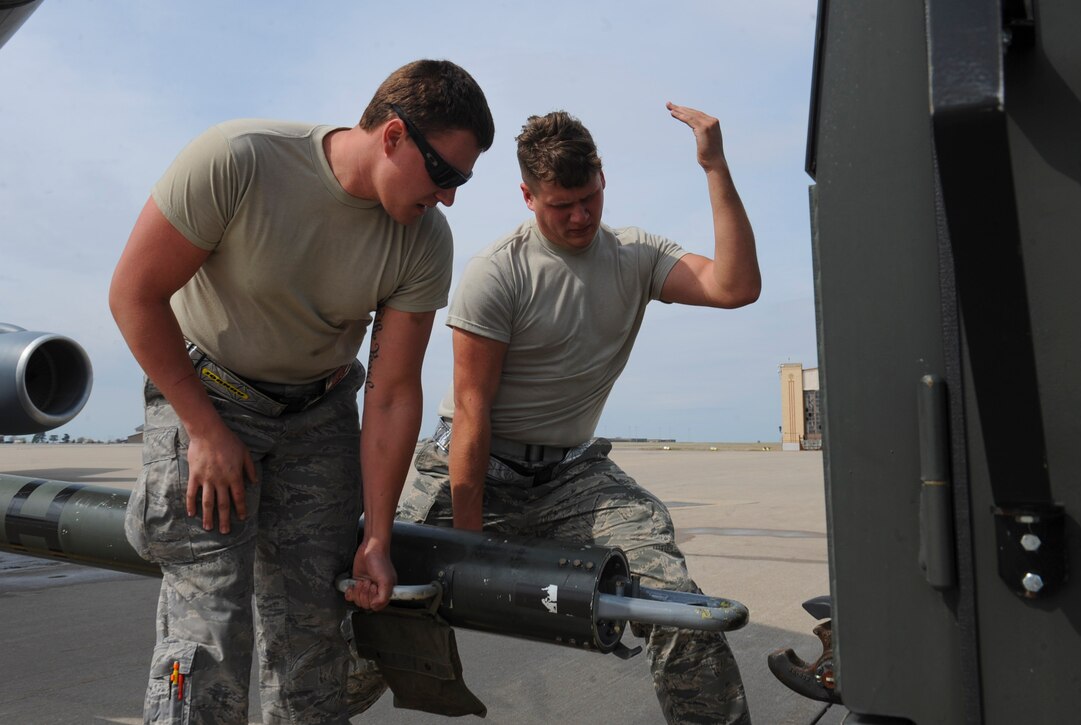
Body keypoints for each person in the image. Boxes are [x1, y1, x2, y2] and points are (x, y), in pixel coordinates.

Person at [109, 59, 494, 724]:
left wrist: (377, 538)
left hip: (318, 416)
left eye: (461, 181)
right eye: (445, 175)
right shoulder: (239, 159)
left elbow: (393, 394)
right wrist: (203, 430)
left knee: (313, 640)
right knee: (208, 627)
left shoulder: (424, 238)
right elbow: (134, 295)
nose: (450, 196)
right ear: (394, 136)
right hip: (209, 397)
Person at [398, 104, 760, 725]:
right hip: (473, 466)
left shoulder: (637, 256)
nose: (580, 217)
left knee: (673, 603)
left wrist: (715, 167)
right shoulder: (497, 272)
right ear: (527, 196)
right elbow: (472, 410)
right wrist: (469, 548)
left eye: (589, 197)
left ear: (602, 177)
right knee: (381, 601)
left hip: (572, 474)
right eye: (561, 205)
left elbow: (736, 286)